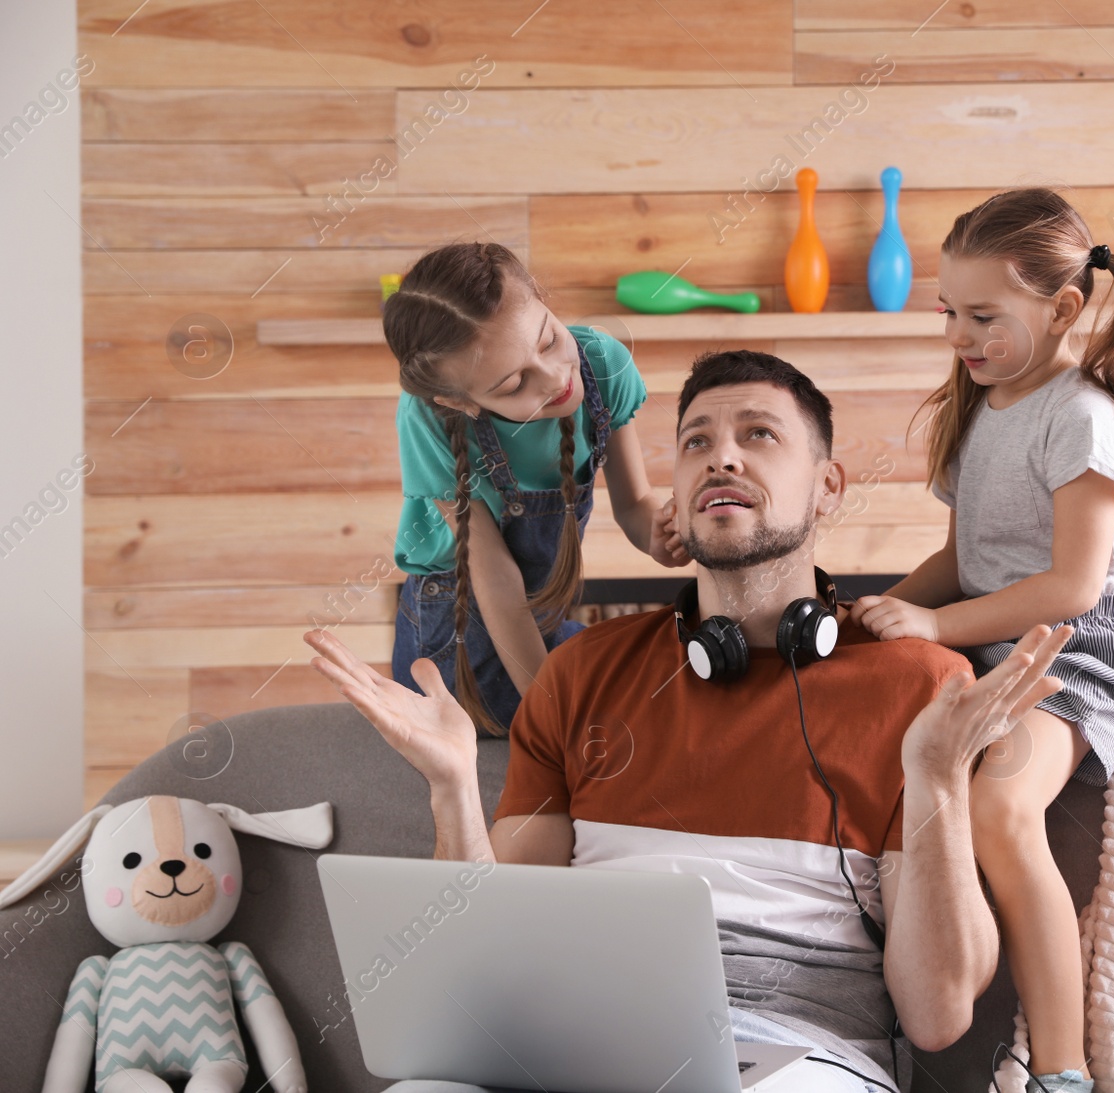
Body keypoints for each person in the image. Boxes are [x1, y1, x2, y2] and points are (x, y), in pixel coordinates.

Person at [306, 349, 1074, 1093]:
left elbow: (937, 1015)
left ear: (829, 487)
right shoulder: (580, 674)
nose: (722, 459)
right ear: (672, 494)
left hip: (797, 1060)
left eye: (759, 435)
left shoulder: (921, 684)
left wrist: (934, 776)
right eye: (696, 441)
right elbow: (488, 966)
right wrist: (452, 786)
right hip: (577, 1050)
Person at [851, 189, 1114, 1092]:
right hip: (996, 641)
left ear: (1063, 309)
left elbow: (1073, 587)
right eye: (950, 311)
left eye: (984, 316)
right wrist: (872, 614)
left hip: (1079, 651)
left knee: (996, 806)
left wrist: (936, 626)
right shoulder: (982, 406)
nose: (960, 334)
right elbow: (964, 559)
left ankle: (1062, 1071)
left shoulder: (1079, 418)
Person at [384, 241, 688, 738]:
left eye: (547, 340)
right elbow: (498, 581)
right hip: (460, 637)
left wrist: (658, 536)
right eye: (512, 384)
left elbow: (636, 503)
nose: (555, 378)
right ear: (460, 402)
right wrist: (554, 714)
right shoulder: (429, 419)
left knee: (657, 679)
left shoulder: (601, 363)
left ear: (545, 301)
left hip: (538, 618)